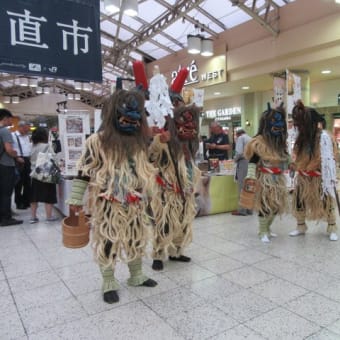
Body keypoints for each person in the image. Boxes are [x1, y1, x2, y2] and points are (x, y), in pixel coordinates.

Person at [67, 87, 158, 304]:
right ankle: (108, 280)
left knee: (136, 239)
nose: (133, 123)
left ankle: (136, 275)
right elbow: (84, 172)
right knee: (109, 241)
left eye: (137, 119)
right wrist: (75, 199)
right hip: (109, 204)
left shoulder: (139, 143)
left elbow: (148, 167)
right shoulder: (97, 142)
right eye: (126, 118)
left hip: (135, 202)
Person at [150, 104, 201, 271]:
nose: (189, 124)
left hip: (186, 193)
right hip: (168, 192)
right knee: (164, 223)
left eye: (192, 121)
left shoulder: (191, 145)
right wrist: (158, 141)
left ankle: (176, 252)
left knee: (183, 223)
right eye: (183, 120)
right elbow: (151, 157)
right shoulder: (165, 142)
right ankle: (158, 254)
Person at [289, 100, 338, 241]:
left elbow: (331, 157)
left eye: (301, 125)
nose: (299, 128)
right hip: (303, 178)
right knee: (299, 201)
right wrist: (294, 164)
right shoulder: (301, 139)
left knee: (326, 202)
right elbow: (296, 155)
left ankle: (332, 227)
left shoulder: (325, 137)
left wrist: (328, 174)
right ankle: (300, 226)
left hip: (319, 179)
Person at [243, 103, 289, 243]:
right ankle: (262, 231)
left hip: (277, 180)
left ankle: (268, 229)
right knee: (264, 205)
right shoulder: (258, 143)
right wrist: (250, 175)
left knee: (275, 207)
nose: (279, 125)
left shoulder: (279, 144)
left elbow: (285, 160)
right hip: (264, 181)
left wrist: (290, 164)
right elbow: (253, 161)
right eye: (275, 121)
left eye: (281, 121)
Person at [29, 127, 58, 223]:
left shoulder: (32, 146)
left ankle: (33, 217)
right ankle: (49, 217)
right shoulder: (47, 146)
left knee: (34, 196)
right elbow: (53, 158)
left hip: (35, 174)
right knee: (49, 195)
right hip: (46, 173)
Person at [0, 109, 23, 227]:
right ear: (5, 118)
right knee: (6, 193)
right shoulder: (5, 131)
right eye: (10, 119)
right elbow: (9, 149)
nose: (12, 121)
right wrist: (17, 155)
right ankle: (6, 218)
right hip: (6, 165)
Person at [232, 127, 252, 216]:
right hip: (251, 163)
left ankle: (242, 210)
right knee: (249, 186)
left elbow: (239, 153)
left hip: (243, 163)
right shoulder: (250, 138)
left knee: (242, 186)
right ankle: (249, 209)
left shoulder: (241, 138)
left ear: (238, 134)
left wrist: (234, 160)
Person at [12, 120, 32, 210]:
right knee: (19, 183)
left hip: (27, 159)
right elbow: (9, 149)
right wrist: (16, 158)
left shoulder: (27, 136)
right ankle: (18, 202)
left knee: (28, 182)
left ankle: (26, 201)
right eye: (26, 129)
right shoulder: (13, 136)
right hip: (18, 159)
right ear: (20, 127)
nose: (28, 131)